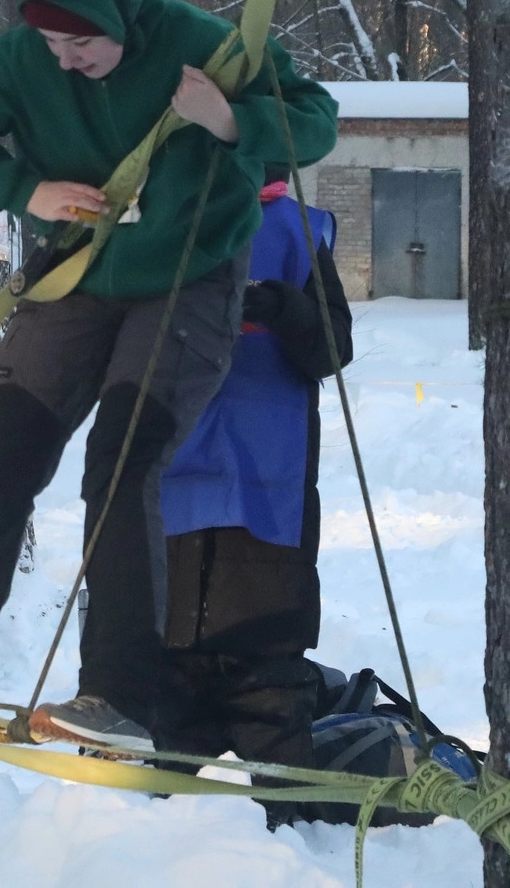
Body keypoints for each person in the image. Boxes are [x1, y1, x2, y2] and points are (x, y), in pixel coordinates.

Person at [0, 0, 338, 752]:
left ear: (130, 4)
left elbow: (316, 120)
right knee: (2, 457)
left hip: (189, 280)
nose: (66, 57)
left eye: (83, 38)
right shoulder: (23, 60)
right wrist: (24, 190)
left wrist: (231, 121)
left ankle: (118, 694)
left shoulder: (203, 44)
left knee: (121, 465)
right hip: (78, 273)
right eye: (51, 40)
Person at [154, 167, 352, 779]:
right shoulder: (160, 221)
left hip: (268, 477)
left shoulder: (300, 231)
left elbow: (331, 348)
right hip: (173, 471)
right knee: (168, 643)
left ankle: (286, 826)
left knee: (264, 653)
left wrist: (286, 308)